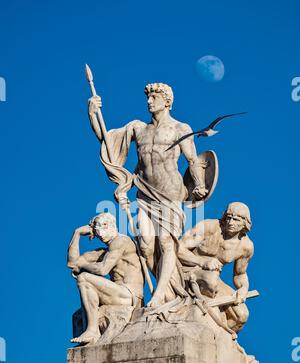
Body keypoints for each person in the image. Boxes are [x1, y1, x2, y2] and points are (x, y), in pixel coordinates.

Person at [88, 83, 207, 307]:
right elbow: (107, 141)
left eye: (154, 97)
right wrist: (93, 113)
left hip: (170, 193)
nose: (149, 101)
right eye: (148, 97)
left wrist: (199, 184)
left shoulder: (180, 128)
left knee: (165, 242)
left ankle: (160, 293)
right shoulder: (138, 128)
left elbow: (193, 161)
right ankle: (168, 289)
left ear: (167, 101)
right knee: (145, 245)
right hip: (144, 193)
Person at [67, 212, 144, 344]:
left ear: (111, 226)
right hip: (118, 293)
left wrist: (83, 267)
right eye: (96, 231)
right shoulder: (105, 252)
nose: (100, 234)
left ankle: (92, 331)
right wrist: (77, 233)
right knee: (78, 316)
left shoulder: (121, 241)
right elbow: (72, 263)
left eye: (103, 228)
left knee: (84, 278)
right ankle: (88, 343)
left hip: (130, 294)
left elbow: (103, 269)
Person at [178, 202, 254, 333]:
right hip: (187, 269)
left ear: (245, 223)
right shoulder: (209, 227)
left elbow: (240, 274)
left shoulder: (245, 247)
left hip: (214, 278)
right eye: (228, 217)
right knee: (211, 281)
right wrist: (201, 261)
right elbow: (177, 248)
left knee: (241, 316)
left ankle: (219, 336)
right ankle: (202, 316)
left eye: (236, 219)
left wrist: (243, 288)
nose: (230, 222)